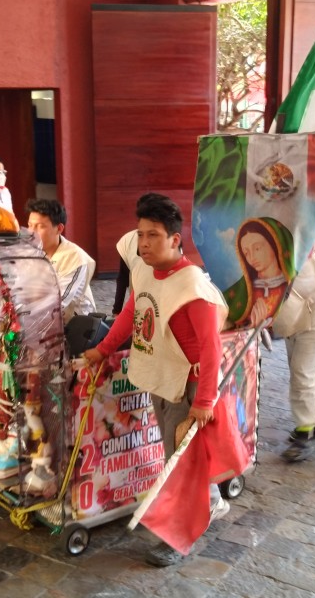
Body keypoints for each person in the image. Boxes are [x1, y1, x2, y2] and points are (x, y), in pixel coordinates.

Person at [82, 193, 230, 567]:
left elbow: (212, 349)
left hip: (189, 386)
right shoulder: (145, 270)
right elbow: (132, 313)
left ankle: (179, 538)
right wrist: (103, 349)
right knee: (181, 456)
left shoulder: (192, 287)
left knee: (179, 462)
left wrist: (204, 402)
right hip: (161, 374)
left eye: (153, 236)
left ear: (175, 240)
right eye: (140, 234)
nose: (143, 244)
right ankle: (210, 502)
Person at [273, 251, 315, 462]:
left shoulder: (296, 245)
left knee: (302, 370)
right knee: (307, 368)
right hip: (296, 314)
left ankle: (304, 433)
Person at [25, 199, 95, 323]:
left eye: (40, 226)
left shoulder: (75, 257)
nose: (31, 232)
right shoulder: (31, 251)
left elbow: (59, 301)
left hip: (75, 324)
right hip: (40, 318)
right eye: (30, 225)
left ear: (59, 229)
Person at [224, 217, 295, 328]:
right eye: (246, 253)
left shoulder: (287, 281)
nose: (251, 258)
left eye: (257, 248)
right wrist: (251, 326)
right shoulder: (241, 289)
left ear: (274, 243)